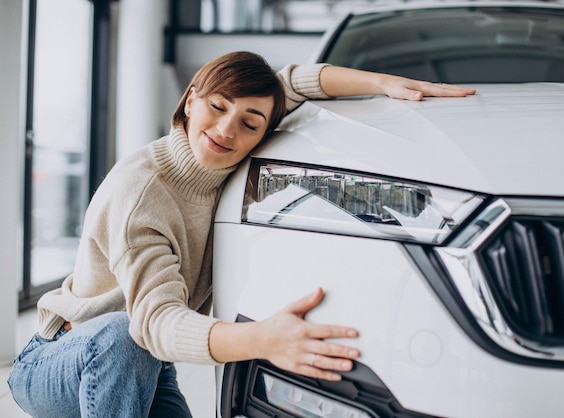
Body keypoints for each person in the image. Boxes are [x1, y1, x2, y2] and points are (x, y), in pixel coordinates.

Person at [8, 51, 475, 418]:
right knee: (122, 334)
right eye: (216, 107)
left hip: (146, 366)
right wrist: (263, 341)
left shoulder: (234, 156)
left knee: (132, 348)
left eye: (250, 123)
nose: (226, 129)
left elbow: (290, 83)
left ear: (263, 133)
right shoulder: (142, 193)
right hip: (63, 359)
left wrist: (382, 84)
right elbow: (152, 322)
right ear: (190, 100)